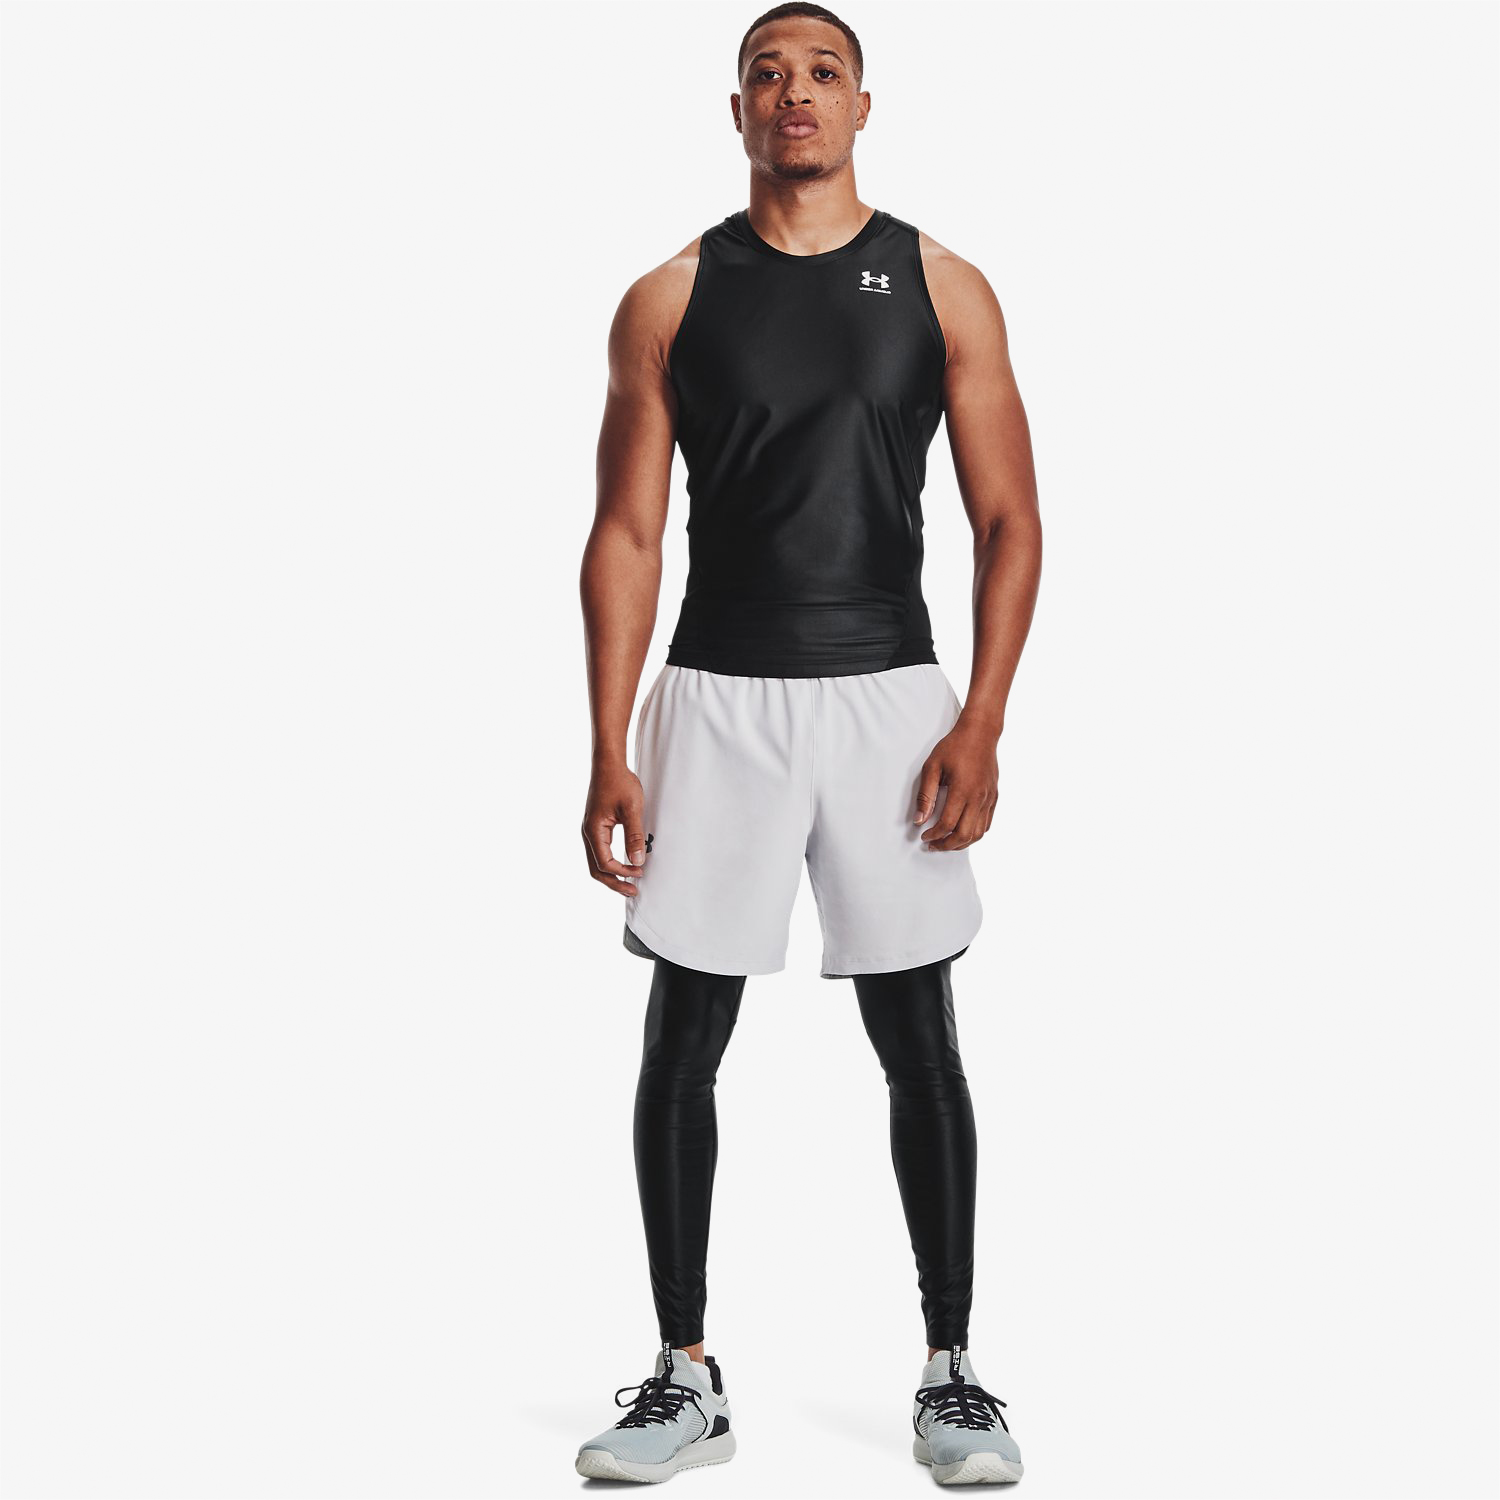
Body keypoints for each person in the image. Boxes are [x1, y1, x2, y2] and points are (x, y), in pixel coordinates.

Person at [576, 2, 1041, 1485]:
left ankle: (954, 1374)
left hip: (889, 697)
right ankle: (683, 1376)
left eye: (822, 73)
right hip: (718, 695)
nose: (796, 94)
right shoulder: (670, 295)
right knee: (683, 1038)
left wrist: (982, 715)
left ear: (861, 107)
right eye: (767, 75)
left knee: (920, 1036)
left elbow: (1009, 520)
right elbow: (629, 532)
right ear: (736, 111)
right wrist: (608, 744)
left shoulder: (943, 284)